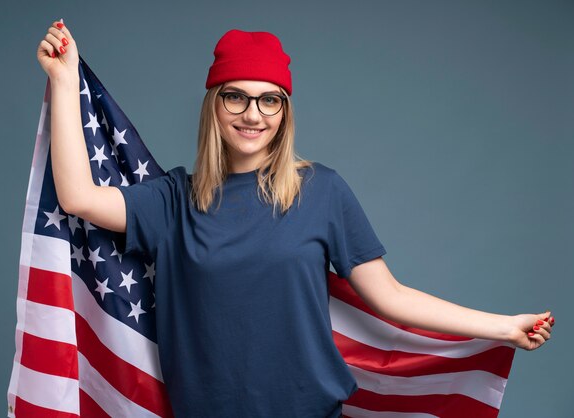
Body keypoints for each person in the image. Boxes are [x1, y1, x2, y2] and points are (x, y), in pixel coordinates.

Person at [36, 20, 555, 418]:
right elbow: (79, 196)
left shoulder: (321, 191)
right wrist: (64, 80)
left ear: (284, 112)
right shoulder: (173, 199)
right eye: (236, 96)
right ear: (214, 106)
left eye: (270, 100)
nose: (252, 114)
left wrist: (504, 327)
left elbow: (391, 297)